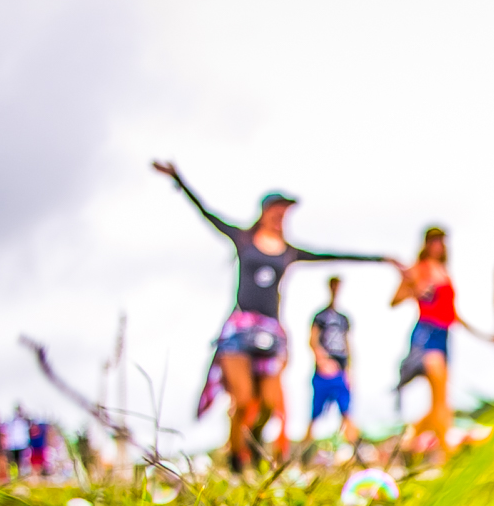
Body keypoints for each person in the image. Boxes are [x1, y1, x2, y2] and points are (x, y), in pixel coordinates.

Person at [151, 160, 399, 471]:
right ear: (265, 211)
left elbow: (332, 254)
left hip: (271, 333)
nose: (281, 216)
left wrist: (381, 259)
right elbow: (207, 213)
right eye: (277, 210)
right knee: (242, 399)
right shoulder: (243, 239)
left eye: (286, 212)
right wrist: (178, 178)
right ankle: (235, 461)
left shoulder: (289, 251)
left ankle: (251, 446)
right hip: (240, 330)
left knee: (269, 405)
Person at [391, 227, 487, 456]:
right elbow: (395, 300)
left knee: (440, 400)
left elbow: (453, 314)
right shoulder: (418, 270)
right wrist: (415, 289)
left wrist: (485, 336)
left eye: (441, 241)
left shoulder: (444, 272)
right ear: (426, 243)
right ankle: (448, 453)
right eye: (434, 240)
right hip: (426, 334)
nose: (438, 245)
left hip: (444, 335)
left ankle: (407, 444)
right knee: (441, 399)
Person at [298, 275, 361, 450]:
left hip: (340, 372)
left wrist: (349, 370)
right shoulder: (320, 316)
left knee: (347, 413)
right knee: (315, 415)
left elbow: (348, 345)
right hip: (323, 373)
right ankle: (303, 453)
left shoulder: (343, 318)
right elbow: (312, 340)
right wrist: (323, 361)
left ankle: (356, 453)